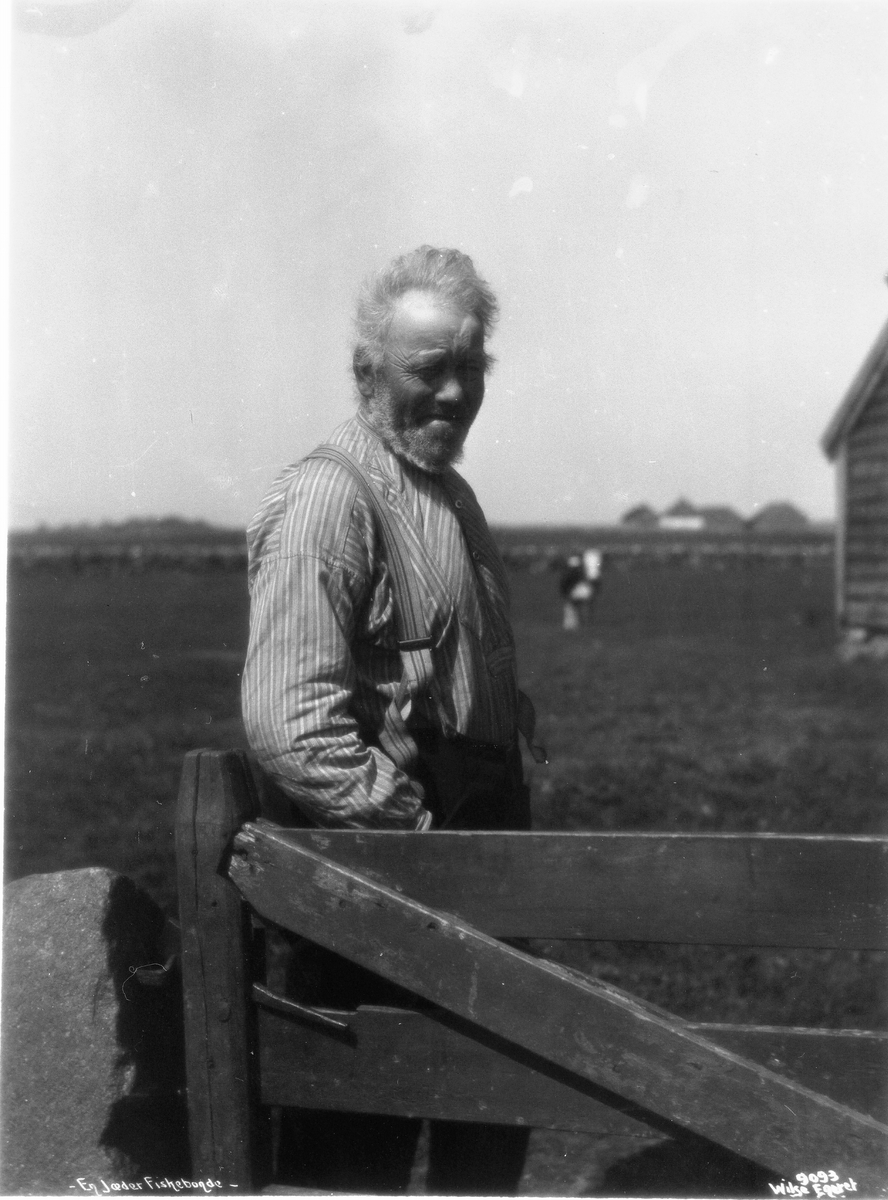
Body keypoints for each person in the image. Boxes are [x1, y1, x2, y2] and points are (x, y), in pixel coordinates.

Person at [241, 245, 544, 1195]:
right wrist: (414, 832)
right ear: (367, 372)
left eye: (472, 369)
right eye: (429, 370)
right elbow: (290, 722)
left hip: (479, 864)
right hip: (377, 881)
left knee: (485, 1138)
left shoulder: (449, 495)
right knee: (354, 1160)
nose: (455, 393)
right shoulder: (332, 496)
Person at [559, 548, 603, 630]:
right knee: (586, 606)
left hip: (574, 593)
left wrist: (565, 594)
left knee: (572, 607)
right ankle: (587, 624)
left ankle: (573, 625)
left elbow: (564, 585)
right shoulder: (582, 571)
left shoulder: (568, 573)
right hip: (584, 591)